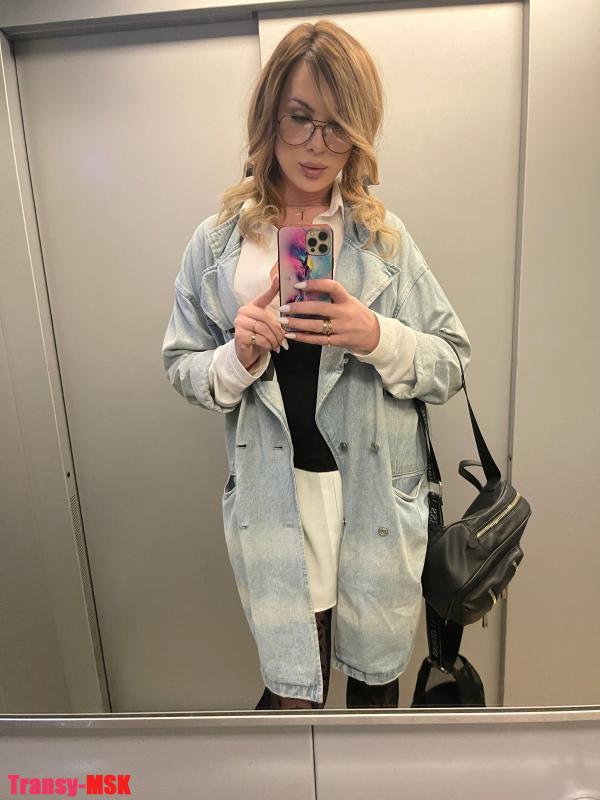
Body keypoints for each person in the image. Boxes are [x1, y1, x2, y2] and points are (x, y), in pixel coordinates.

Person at [162, 20, 471, 710]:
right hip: (276, 500)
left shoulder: (382, 241)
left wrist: (374, 333)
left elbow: (451, 362)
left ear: (358, 133)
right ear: (270, 114)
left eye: (337, 126)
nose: (316, 145)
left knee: (373, 693)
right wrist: (236, 357)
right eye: (300, 118)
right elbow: (182, 366)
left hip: (372, 501)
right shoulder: (218, 246)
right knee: (293, 696)